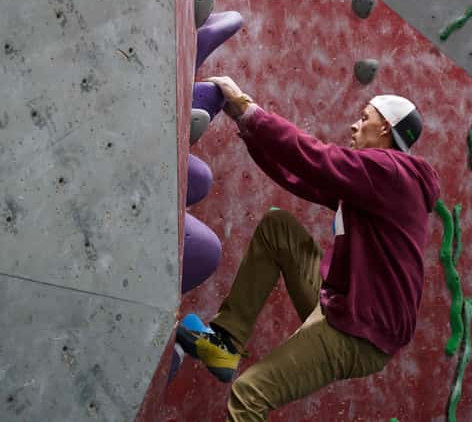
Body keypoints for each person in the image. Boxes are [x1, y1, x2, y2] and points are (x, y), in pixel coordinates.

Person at [176, 74, 441, 421]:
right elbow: (300, 175)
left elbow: (317, 157)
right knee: (278, 229)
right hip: (344, 302)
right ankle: (226, 342)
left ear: (386, 129)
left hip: (362, 330)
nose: (354, 126)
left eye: (365, 118)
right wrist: (248, 124)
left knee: (250, 393)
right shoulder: (375, 182)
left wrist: (249, 109)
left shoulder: (393, 172)